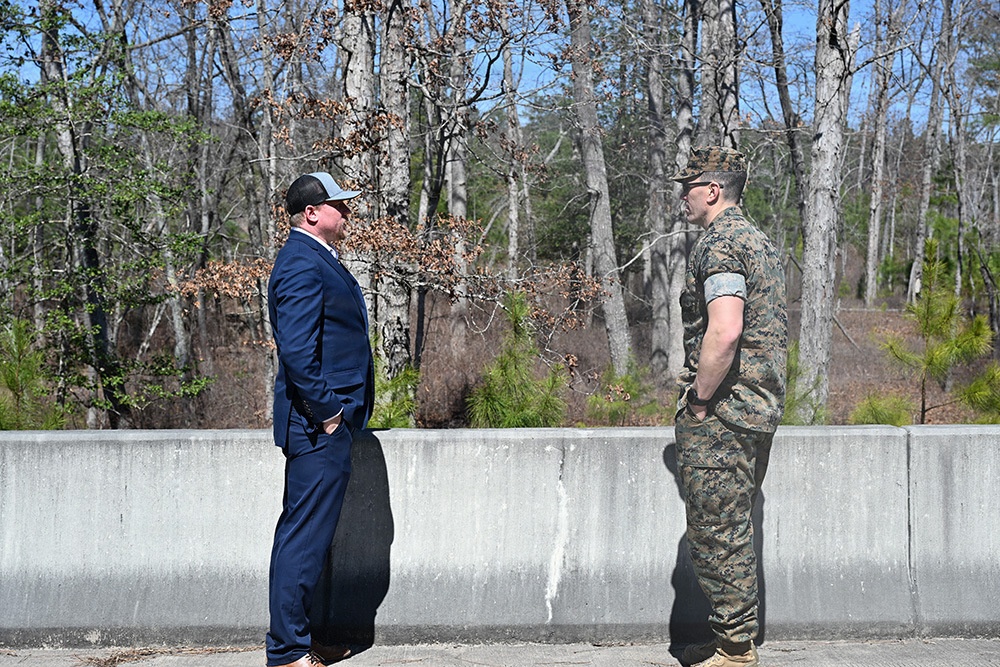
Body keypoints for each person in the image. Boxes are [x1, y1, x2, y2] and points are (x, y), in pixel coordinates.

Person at [671, 147, 787, 667]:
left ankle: (736, 650)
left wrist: (699, 402)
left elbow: (725, 331)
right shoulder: (755, 238)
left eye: (687, 187)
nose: (682, 198)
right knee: (731, 525)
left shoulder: (721, 245)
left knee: (718, 530)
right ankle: (729, 641)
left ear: (712, 190)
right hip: (754, 407)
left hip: (726, 410)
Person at [266, 171, 375, 667]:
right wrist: (330, 413)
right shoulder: (300, 264)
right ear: (312, 213)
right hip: (316, 426)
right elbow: (297, 353)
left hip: (326, 424)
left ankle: (301, 640)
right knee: (302, 539)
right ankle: (288, 653)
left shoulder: (317, 259)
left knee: (311, 538)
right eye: (339, 205)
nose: (347, 213)